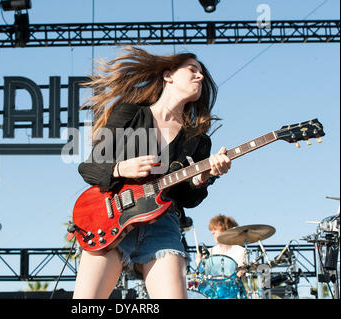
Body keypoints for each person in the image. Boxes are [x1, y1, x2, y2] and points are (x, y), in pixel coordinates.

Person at [72, 46, 232, 299]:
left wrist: (203, 179)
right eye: (192, 70)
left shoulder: (198, 140)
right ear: (168, 75)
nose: (200, 76)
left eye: (202, 73)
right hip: (112, 217)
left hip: (163, 223)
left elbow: (189, 199)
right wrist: (120, 168)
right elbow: (90, 167)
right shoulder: (130, 113)